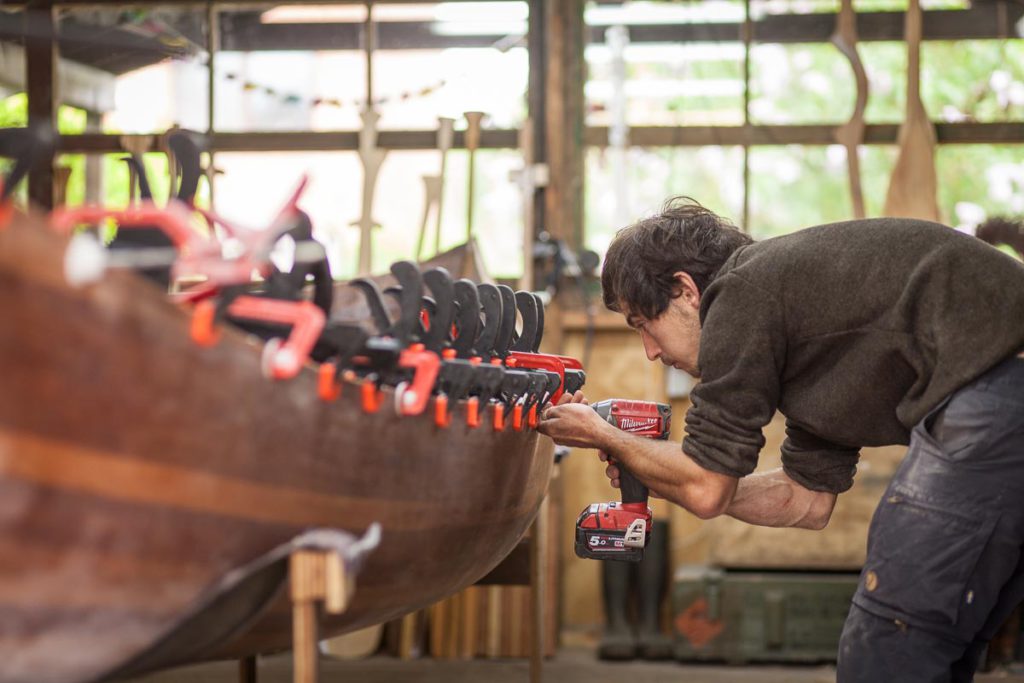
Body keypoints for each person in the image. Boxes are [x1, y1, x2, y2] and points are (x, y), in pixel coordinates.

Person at [538, 197, 1024, 682]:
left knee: (887, 644)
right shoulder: (807, 331)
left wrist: (605, 436)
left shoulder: (739, 289)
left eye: (645, 324)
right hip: (1001, 402)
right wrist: (658, 476)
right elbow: (804, 501)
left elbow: (707, 487)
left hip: (1000, 389)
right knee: (938, 648)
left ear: (686, 290)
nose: (649, 351)